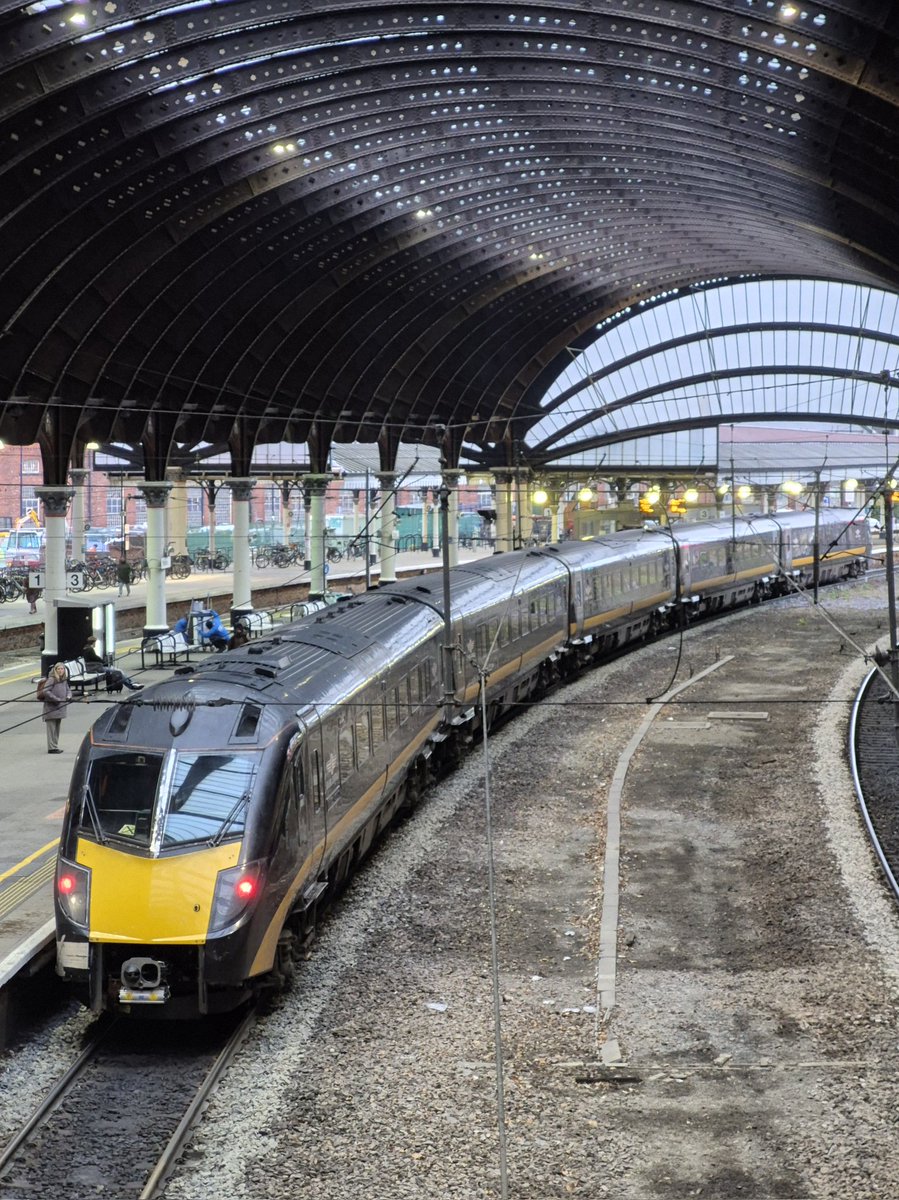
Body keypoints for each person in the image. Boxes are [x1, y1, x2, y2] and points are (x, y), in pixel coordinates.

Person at [41, 662, 71, 754]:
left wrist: (69, 696)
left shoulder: (63, 680)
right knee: (51, 729)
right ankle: (51, 748)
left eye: (62, 669)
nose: (60, 671)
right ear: (55, 670)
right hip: (51, 708)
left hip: (60, 707)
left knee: (57, 729)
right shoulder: (52, 679)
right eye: (58, 669)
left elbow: (68, 690)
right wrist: (56, 699)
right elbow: (46, 691)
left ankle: (55, 746)